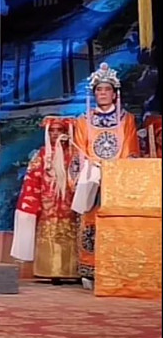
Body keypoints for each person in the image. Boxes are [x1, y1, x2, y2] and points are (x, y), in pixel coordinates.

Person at [72, 62, 140, 288]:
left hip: (116, 178)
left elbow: (130, 150)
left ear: (114, 93)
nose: (102, 94)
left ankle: (115, 267)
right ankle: (89, 269)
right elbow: (80, 150)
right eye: (99, 90)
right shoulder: (83, 120)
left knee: (116, 223)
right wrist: (90, 167)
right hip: (92, 176)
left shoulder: (126, 119)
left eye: (107, 89)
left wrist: (118, 172)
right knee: (90, 222)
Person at [11, 117, 79, 282]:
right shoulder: (42, 154)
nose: (55, 134)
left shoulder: (74, 153)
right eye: (52, 131)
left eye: (59, 130)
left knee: (69, 232)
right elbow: (32, 179)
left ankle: (70, 270)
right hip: (47, 204)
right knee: (48, 233)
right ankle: (48, 271)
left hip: (69, 203)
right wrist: (31, 203)